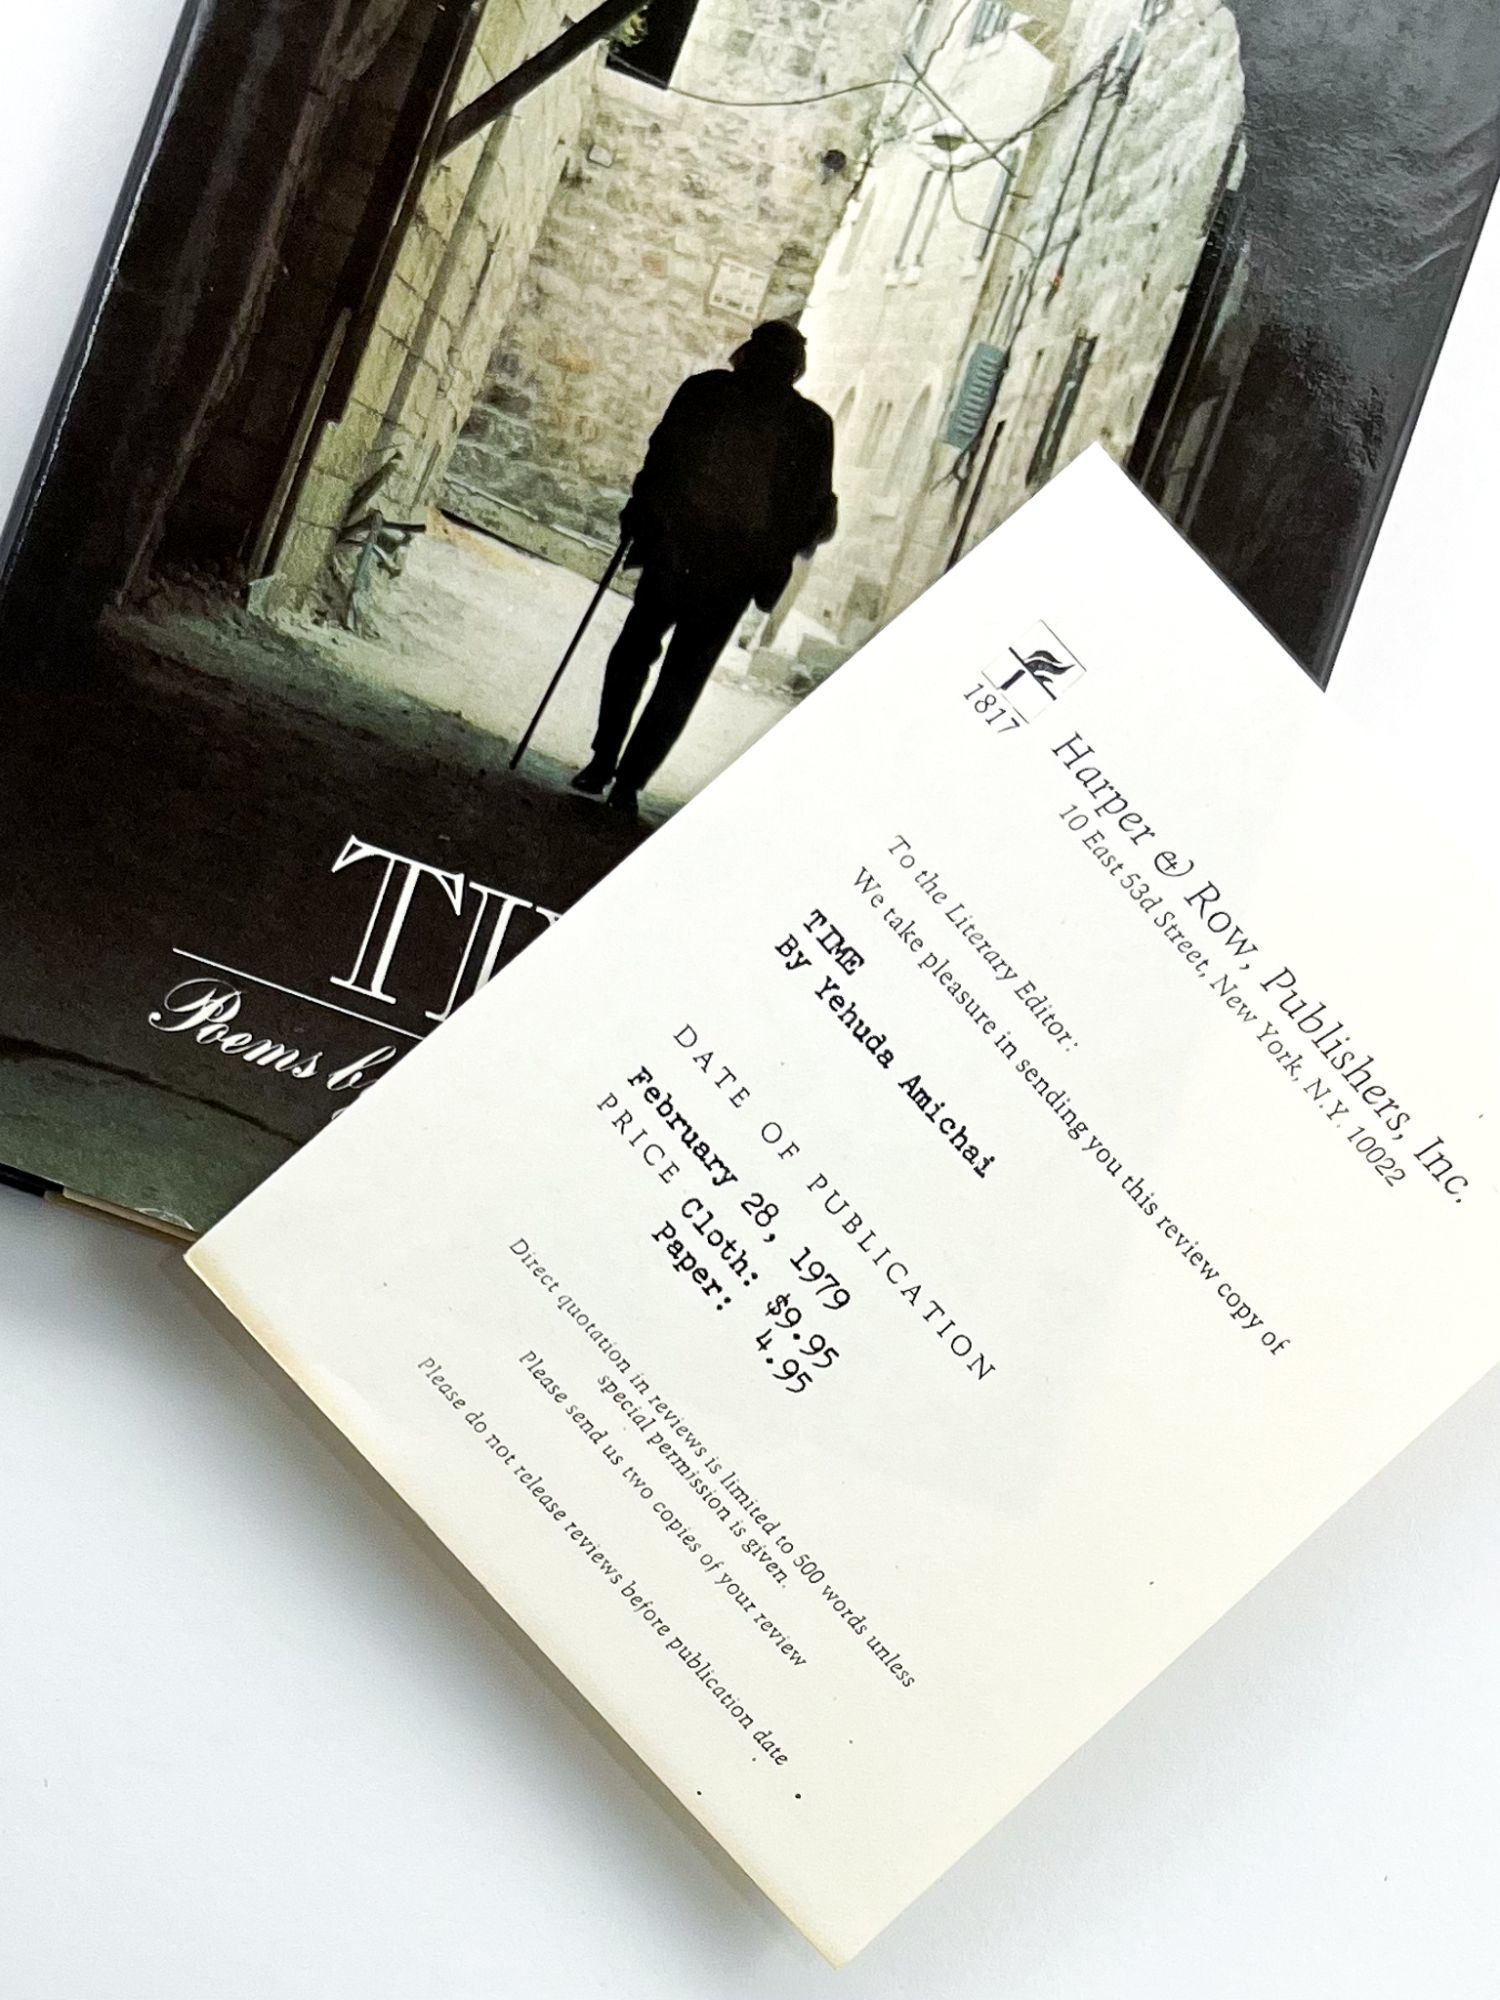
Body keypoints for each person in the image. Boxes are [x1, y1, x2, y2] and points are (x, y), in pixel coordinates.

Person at [572, 320, 838, 818]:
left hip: (732, 566)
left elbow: (814, 509)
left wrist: (777, 550)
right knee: (646, 658)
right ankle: (608, 763)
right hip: (678, 546)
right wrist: (643, 509)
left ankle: (624, 777)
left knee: (672, 671)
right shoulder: (707, 393)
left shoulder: (808, 427)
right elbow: (662, 457)